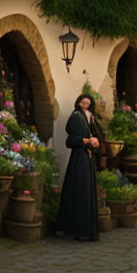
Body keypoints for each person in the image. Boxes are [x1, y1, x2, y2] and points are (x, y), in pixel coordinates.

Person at [55, 93, 101, 241]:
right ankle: (78, 228)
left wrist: (95, 141)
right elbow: (71, 140)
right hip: (79, 159)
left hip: (87, 158)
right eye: (83, 103)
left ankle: (86, 229)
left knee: (87, 191)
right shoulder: (76, 116)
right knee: (80, 191)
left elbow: (97, 133)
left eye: (88, 103)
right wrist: (87, 140)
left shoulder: (90, 117)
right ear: (79, 103)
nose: (86, 105)